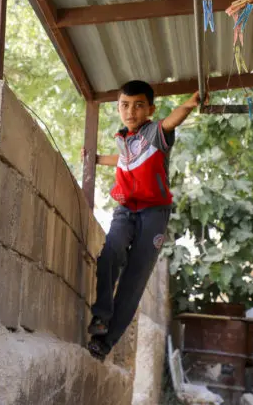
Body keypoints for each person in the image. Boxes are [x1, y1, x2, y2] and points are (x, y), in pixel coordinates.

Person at [85, 80, 205, 361]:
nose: (131, 111)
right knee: (110, 252)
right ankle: (101, 317)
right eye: (125, 105)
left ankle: (105, 341)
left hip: (154, 214)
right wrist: (97, 159)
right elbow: (125, 159)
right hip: (125, 210)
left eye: (139, 105)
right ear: (118, 108)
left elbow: (169, 123)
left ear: (150, 109)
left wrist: (187, 105)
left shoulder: (154, 133)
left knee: (134, 279)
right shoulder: (123, 138)